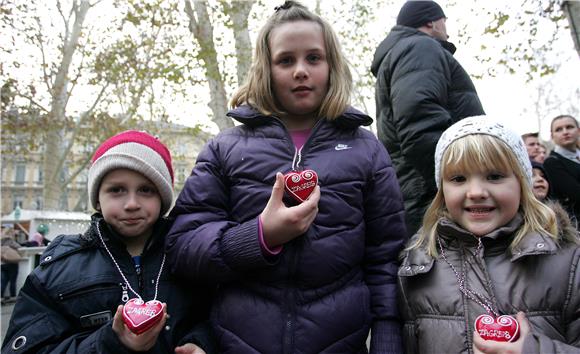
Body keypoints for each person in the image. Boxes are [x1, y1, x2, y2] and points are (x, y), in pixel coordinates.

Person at [165, 2, 407, 353]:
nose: (300, 71)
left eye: (313, 58)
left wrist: (387, 338)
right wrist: (260, 235)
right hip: (239, 341)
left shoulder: (367, 151)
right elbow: (182, 246)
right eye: (285, 60)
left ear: (332, 65)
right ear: (266, 68)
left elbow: (386, 257)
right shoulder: (225, 148)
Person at [2, 131, 214, 354]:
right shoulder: (59, 268)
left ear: (162, 199)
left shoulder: (191, 256)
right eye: (117, 190)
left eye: (146, 190)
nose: (132, 203)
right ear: (97, 199)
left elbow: (219, 317)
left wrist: (202, 342)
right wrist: (110, 344)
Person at [398, 117, 580, 354]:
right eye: (458, 179)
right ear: (442, 190)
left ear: (522, 183)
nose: (476, 192)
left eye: (494, 176)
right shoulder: (418, 265)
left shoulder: (569, 261)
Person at [371, 0, 485, 238]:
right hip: (434, 193)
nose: (447, 27)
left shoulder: (403, 52)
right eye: (444, 20)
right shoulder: (419, 48)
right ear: (431, 21)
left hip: (423, 189)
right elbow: (420, 127)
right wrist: (466, 182)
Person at [543, 114, 580, 229]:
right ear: (552, 136)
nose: (565, 132)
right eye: (558, 129)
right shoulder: (552, 162)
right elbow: (576, 194)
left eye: (569, 127)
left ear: (578, 131)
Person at [1, 228, 21, 304]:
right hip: (12, 264)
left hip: (3, 263)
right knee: (13, 281)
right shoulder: (11, 241)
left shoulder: (1, 241)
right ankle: (13, 297)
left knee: (3, 282)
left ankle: (1, 297)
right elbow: (19, 247)